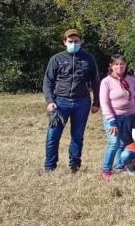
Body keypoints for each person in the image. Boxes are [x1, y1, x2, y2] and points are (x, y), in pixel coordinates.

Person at [42, 28, 101, 173]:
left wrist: (96, 102)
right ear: (64, 42)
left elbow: (96, 81)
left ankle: (74, 166)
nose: (73, 44)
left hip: (82, 102)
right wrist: (50, 101)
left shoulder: (88, 58)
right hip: (60, 102)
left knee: (77, 136)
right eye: (70, 41)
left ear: (81, 42)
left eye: (76, 41)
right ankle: (50, 167)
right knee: (53, 135)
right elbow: (47, 82)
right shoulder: (56, 59)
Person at [99, 53, 135, 180]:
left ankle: (120, 166)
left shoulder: (131, 80)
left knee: (123, 144)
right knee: (113, 143)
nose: (119, 66)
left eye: (122, 64)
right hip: (114, 118)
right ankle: (106, 169)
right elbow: (104, 102)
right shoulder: (106, 82)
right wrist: (111, 120)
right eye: (116, 64)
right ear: (111, 66)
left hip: (130, 117)